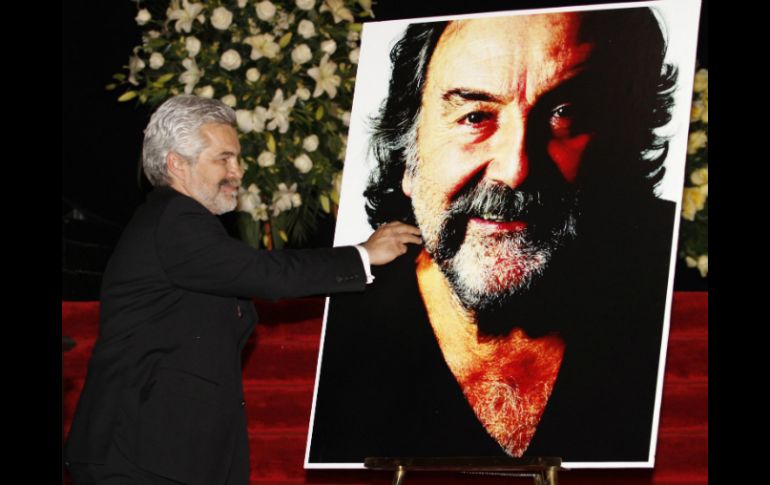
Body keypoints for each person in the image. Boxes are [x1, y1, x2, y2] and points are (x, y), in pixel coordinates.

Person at [308, 7, 679, 464]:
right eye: (474, 117)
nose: (516, 169)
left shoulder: (669, 295)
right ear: (407, 152)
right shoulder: (336, 331)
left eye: (565, 113)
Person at [64, 94, 421, 485]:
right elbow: (266, 274)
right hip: (138, 452)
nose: (237, 171)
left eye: (237, 158)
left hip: (163, 451)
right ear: (176, 164)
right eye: (223, 159)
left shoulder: (173, 223)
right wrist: (363, 255)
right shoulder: (175, 218)